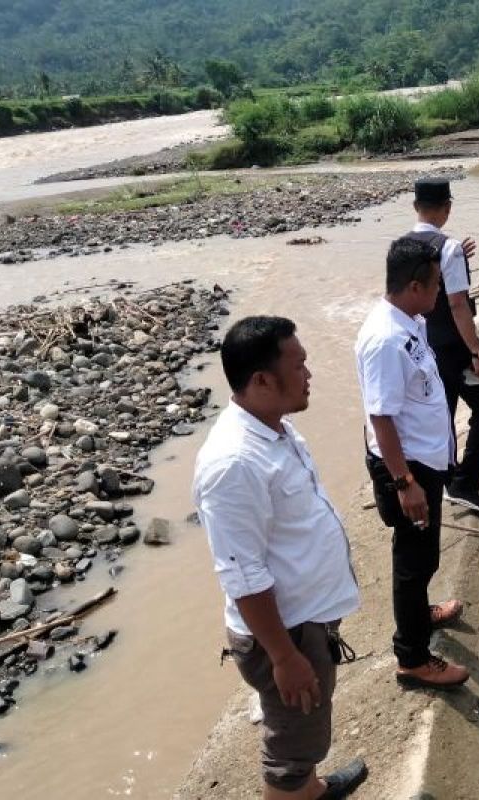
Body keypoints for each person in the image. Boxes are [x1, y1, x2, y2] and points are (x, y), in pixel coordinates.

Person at [193, 316, 367, 800]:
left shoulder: (276, 430)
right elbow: (241, 575)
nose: (309, 373)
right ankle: (298, 790)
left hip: (304, 622)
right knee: (290, 752)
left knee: (306, 733)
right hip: (285, 633)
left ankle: (312, 788)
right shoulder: (233, 463)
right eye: (300, 364)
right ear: (262, 380)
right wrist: (285, 657)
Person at [355, 237, 471, 689]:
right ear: (415, 285)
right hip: (408, 469)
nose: (442, 292)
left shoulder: (409, 321)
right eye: (437, 284)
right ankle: (413, 658)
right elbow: (380, 417)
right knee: (412, 558)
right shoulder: (385, 339)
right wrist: (405, 483)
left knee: (422, 557)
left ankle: (421, 615)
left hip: (423, 462)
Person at [402, 177, 479, 516]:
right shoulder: (448, 248)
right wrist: (477, 353)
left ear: (416, 207)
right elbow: (458, 305)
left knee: (441, 414)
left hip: (422, 349)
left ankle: (443, 478)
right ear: (447, 208)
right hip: (456, 352)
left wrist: (460, 256)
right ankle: (463, 485)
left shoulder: (402, 246)